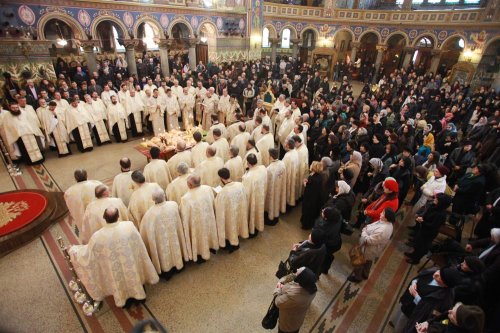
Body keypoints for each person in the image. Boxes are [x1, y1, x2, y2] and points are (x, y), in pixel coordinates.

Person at [69, 207, 159, 308]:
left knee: (118, 281)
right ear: (118, 216)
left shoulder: (98, 236)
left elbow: (87, 254)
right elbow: (138, 244)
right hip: (130, 263)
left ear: (104, 217)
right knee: (134, 277)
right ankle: (140, 297)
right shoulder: (129, 226)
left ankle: (125, 302)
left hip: (114, 268)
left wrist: (74, 251)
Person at [392, 267, 462, 333]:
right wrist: (414, 283)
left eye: (440, 277)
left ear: (445, 285)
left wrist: (416, 296)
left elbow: (429, 312)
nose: (436, 274)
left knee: (401, 325)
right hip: (407, 302)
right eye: (439, 271)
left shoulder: (445, 299)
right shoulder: (434, 270)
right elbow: (419, 277)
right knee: (399, 314)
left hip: (413, 313)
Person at [140, 189, 189, 280]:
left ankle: (167, 271)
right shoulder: (173, 205)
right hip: (174, 235)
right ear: (164, 196)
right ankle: (180, 264)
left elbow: (144, 232)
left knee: (164, 252)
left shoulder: (149, 215)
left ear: (153, 199)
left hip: (161, 241)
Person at [349, 207, 395, 282]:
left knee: (359, 263)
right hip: (371, 249)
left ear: (387, 218)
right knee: (368, 261)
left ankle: (357, 277)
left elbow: (369, 240)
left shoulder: (383, 230)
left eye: (382, 213)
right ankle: (365, 274)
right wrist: (366, 229)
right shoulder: (387, 223)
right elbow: (371, 227)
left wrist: (364, 231)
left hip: (368, 249)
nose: (380, 213)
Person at [180, 174, 219, 262]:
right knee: (210, 233)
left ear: (190, 185)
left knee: (199, 238)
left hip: (197, 223)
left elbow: (184, 215)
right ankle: (212, 246)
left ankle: (201, 253)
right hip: (209, 217)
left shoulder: (185, 198)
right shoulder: (207, 188)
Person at [405, 194, 453, 264]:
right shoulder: (434, 206)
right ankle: (413, 254)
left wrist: (422, 221)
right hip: (423, 229)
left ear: (441, 203)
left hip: (429, 233)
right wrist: (422, 217)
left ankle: (416, 260)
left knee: (422, 247)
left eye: (437, 199)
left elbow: (433, 226)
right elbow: (426, 213)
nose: (434, 199)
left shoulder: (441, 215)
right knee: (417, 243)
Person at [214, 168, 249, 252]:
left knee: (231, 228)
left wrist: (216, 197)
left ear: (221, 178)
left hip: (230, 215)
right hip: (239, 211)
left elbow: (217, 206)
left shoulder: (222, 193)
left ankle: (233, 244)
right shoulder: (240, 185)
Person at [274, 267, 317, 333]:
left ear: (301, 279)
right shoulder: (312, 289)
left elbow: (278, 302)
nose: (297, 269)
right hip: (298, 320)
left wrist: (278, 287)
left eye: (298, 271)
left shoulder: (293, 297)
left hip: (287, 325)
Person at [242, 153, 268, 238]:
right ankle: (257, 227)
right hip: (261, 195)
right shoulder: (263, 168)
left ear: (248, 163)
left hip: (252, 199)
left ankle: (252, 230)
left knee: (252, 214)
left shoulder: (248, 177)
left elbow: (245, 192)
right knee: (259, 212)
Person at [415, 303, 485, 333]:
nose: (449, 311)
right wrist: (428, 322)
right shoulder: (457, 314)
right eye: (454, 308)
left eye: (453, 315)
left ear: (458, 324)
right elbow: (447, 313)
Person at [314, 207, 343, 274]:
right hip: (337, 242)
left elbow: (317, 230)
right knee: (328, 256)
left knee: (323, 258)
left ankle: (319, 271)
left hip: (328, 245)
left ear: (326, 218)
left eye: (323, 212)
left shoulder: (322, 226)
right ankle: (326, 269)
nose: (322, 210)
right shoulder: (339, 218)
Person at [265, 148, 287, 226]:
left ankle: (271, 218)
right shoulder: (282, 163)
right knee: (277, 202)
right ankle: (276, 216)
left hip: (272, 190)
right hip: (280, 187)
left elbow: (266, 183)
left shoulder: (269, 169)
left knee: (272, 203)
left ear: (271, 156)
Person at [300, 161, 324, 229]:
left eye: (311, 165)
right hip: (315, 198)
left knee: (307, 211)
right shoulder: (318, 176)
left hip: (310, 199)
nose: (310, 165)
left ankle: (305, 225)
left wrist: (305, 183)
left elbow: (309, 188)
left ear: (314, 168)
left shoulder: (313, 178)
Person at [283, 138, 300, 208]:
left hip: (288, 177)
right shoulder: (295, 151)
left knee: (287, 191)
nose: (284, 144)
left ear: (288, 146)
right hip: (293, 175)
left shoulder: (288, 156)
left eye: (285, 143)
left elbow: (283, 169)